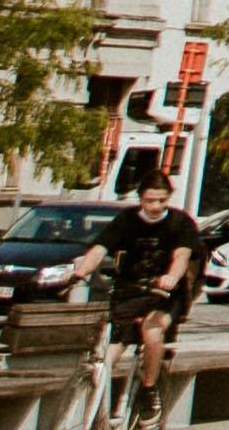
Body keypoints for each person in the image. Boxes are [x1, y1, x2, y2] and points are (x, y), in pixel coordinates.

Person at [84, 175, 211, 424]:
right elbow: (100, 247)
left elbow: (182, 255)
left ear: (169, 198)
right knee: (110, 352)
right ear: (140, 198)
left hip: (165, 295)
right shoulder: (127, 220)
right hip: (130, 290)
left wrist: (172, 277)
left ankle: (149, 389)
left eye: (161, 200)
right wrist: (79, 272)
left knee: (152, 331)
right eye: (149, 200)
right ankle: (98, 410)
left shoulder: (180, 222)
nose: (155, 206)